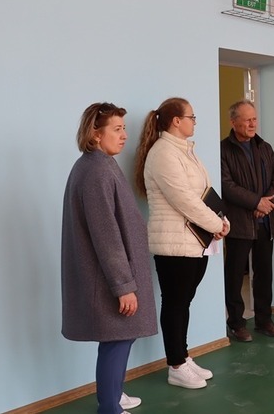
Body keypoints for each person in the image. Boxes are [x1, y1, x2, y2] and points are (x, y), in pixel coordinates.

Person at [61, 102, 158, 414]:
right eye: (117, 129)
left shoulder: (96, 165)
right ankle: (109, 407)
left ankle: (113, 395)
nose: (124, 135)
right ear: (95, 134)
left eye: (124, 128)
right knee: (117, 339)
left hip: (107, 274)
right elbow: (107, 236)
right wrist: (123, 286)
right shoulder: (97, 170)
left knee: (120, 337)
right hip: (108, 277)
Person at [134, 97, 230, 390]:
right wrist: (215, 224)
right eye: (191, 117)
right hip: (174, 243)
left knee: (183, 301)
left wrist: (220, 219)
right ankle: (175, 365)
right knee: (175, 303)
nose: (194, 122)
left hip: (194, 241)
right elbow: (183, 199)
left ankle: (183, 357)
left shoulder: (184, 151)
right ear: (176, 121)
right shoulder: (163, 153)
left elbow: (204, 192)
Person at [220, 100, 274, 342]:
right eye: (247, 120)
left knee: (264, 274)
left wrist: (266, 204)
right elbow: (226, 185)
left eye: (254, 119)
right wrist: (256, 202)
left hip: (266, 222)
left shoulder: (264, 147)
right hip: (238, 224)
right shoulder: (223, 150)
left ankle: (264, 320)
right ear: (233, 122)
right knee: (235, 275)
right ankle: (236, 323)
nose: (252, 124)